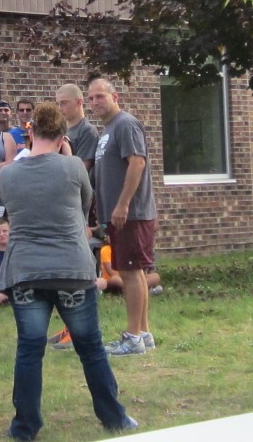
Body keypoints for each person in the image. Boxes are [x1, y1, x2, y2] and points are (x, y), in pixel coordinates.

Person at [0, 101, 136, 439]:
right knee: (90, 346)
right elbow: (85, 204)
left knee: (29, 348)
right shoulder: (73, 166)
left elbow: (12, 208)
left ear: (31, 133)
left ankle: (24, 428)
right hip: (71, 268)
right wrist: (68, 154)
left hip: (25, 269)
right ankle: (114, 418)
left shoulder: (7, 173)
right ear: (62, 137)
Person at [89, 77, 157, 356]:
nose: (95, 102)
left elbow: (137, 163)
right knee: (134, 272)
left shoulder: (126, 124)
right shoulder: (108, 129)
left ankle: (133, 338)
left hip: (131, 214)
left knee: (130, 272)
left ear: (114, 97)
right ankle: (143, 334)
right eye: (91, 98)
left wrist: (123, 204)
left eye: (100, 96)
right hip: (118, 216)